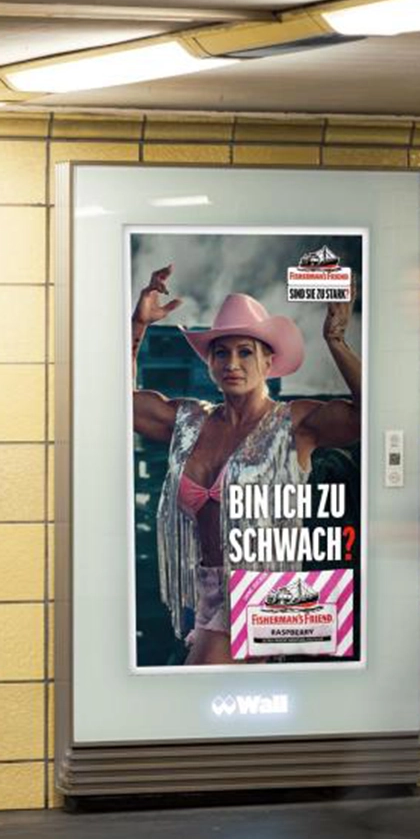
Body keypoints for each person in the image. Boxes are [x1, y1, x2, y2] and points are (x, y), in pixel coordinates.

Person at [132, 264, 361, 664]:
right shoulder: (189, 421)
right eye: (221, 352)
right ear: (209, 364)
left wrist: (336, 339)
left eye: (244, 352)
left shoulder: (295, 423)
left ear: (268, 362)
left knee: (193, 703)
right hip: (205, 599)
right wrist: (138, 326)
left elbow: (372, 415)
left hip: (263, 593)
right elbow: (113, 401)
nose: (231, 364)